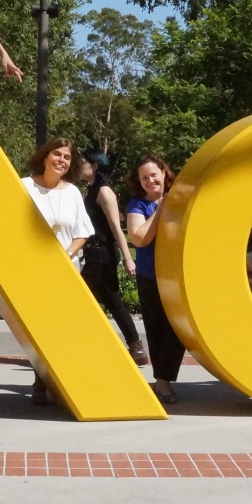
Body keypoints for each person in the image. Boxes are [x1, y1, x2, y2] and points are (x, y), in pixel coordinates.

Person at [21, 136, 93, 408]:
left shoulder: (73, 192)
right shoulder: (24, 186)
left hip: (65, 271)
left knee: (62, 329)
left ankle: (60, 381)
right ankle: (41, 380)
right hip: (33, 272)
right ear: (45, 156)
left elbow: (82, 232)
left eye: (67, 157)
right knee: (38, 330)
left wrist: (66, 255)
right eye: (57, 154)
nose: (62, 160)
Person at [74, 150, 146, 364]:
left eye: (83, 162)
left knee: (82, 299)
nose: (79, 166)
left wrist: (127, 257)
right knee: (113, 301)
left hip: (102, 254)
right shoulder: (92, 190)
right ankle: (136, 347)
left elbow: (116, 228)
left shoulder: (104, 192)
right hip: (96, 253)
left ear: (94, 166)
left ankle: (89, 345)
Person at [126, 154, 185, 406]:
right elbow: (139, 238)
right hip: (151, 275)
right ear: (139, 181)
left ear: (163, 172)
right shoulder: (137, 205)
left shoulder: (181, 197)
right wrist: (161, 208)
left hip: (180, 275)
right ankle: (162, 382)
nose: (150, 180)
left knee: (180, 329)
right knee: (157, 328)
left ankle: (165, 376)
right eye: (144, 177)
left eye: (153, 174)